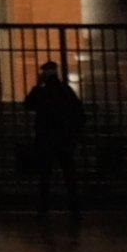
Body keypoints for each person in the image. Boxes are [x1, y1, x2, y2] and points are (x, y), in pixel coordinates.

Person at [24, 59, 85, 216]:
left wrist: (37, 85)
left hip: (46, 139)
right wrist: (73, 133)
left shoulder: (42, 92)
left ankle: (43, 208)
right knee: (69, 175)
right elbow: (80, 113)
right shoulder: (66, 91)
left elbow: (28, 104)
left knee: (45, 175)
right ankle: (75, 207)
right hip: (64, 139)